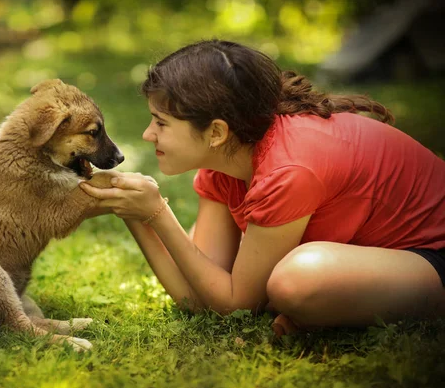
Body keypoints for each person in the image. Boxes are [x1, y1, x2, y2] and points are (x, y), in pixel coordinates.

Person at [79, 39, 445, 336]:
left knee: (296, 282)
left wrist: (157, 214)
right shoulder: (224, 158)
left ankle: (325, 306)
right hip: (376, 258)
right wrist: (135, 213)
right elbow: (197, 296)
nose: (147, 134)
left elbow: (234, 305)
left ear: (216, 132)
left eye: (161, 122)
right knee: (207, 259)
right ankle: (325, 305)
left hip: (431, 254)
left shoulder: (288, 170)